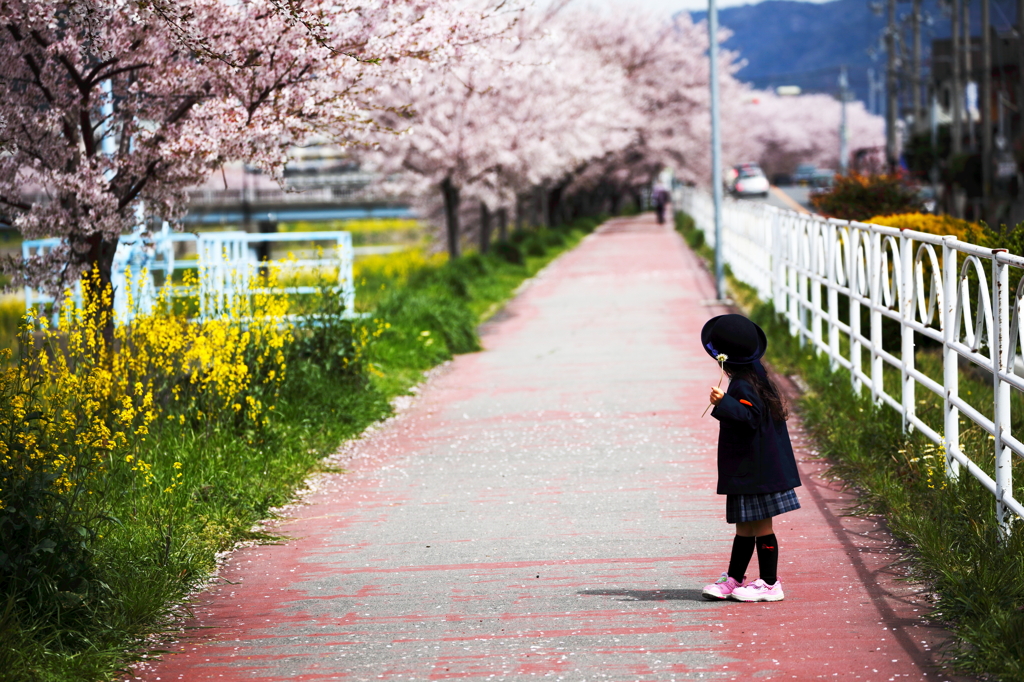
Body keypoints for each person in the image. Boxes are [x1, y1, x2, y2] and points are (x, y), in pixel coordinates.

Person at [699, 314, 801, 602]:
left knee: (761, 527)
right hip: (748, 468)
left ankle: (769, 583)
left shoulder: (744, 385)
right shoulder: (755, 376)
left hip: (757, 470)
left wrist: (724, 403)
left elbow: (750, 417)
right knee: (743, 527)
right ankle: (733, 578)